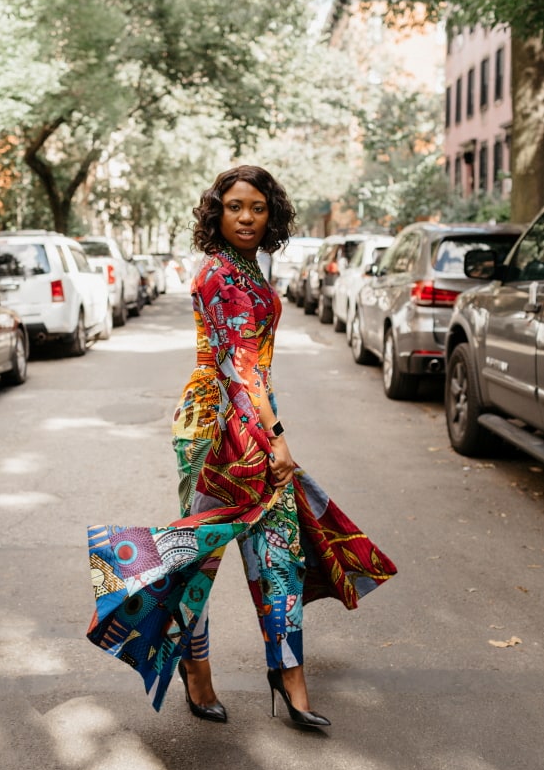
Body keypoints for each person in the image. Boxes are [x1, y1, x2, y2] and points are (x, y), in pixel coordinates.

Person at [87, 165, 397, 726]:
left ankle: (288, 674)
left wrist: (269, 430)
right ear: (217, 212)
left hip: (253, 420)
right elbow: (238, 365)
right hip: (213, 431)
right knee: (200, 559)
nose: (247, 217)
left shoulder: (247, 266)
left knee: (280, 553)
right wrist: (276, 437)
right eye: (235, 207)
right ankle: (197, 669)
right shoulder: (218, 273)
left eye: (257, 207)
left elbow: (253, 372)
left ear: (270, 213)